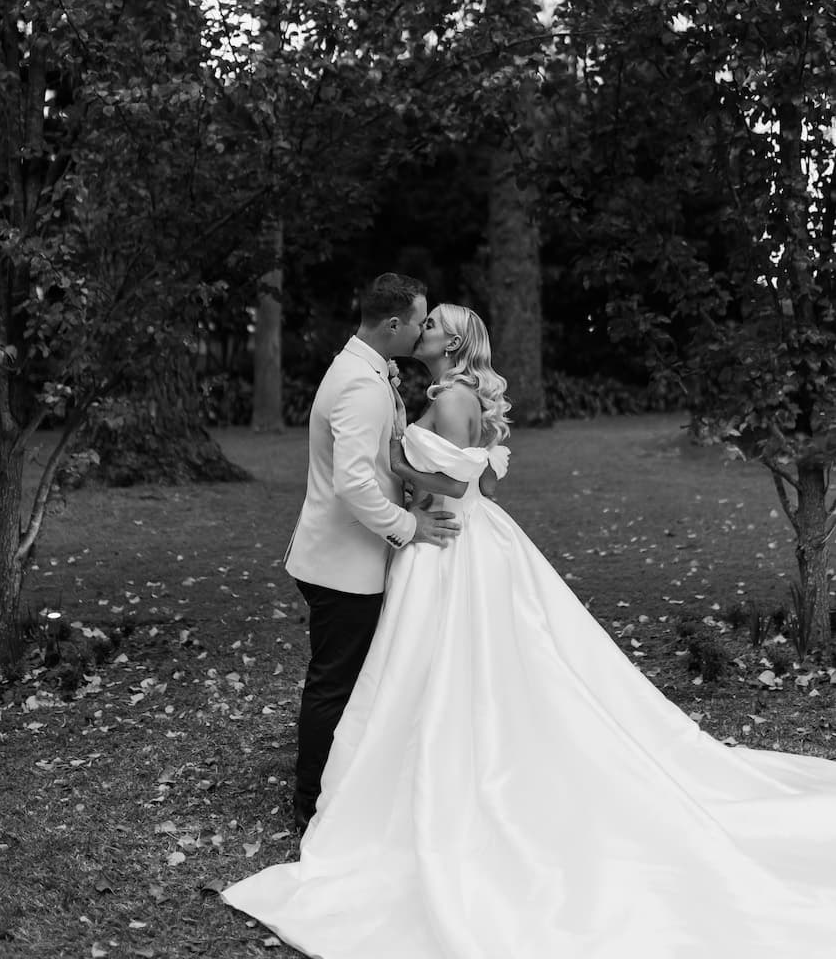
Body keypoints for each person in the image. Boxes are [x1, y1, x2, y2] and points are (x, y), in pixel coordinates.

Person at [224, 305, 836, 958]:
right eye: (422, 319)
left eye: (434, 323)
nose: (425, 326)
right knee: (426, 664)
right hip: (439, 541)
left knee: (457, 661)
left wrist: (401, 471)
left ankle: (452, 772)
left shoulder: (455, 396)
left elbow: (460, 479)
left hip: (452, 542)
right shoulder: (439, 393)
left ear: (455, 341)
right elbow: (482, 472)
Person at [282, 274, 461, 834]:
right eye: (419, 320)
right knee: (334, 682)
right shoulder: (360, 384)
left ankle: (338, 784)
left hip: (344, 556)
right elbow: (354, 485)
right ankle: (310, 805)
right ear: (392, 324)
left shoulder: (367, 369)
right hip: (340, 564)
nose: (422, 329)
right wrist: (410, 528)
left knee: (345, 679)